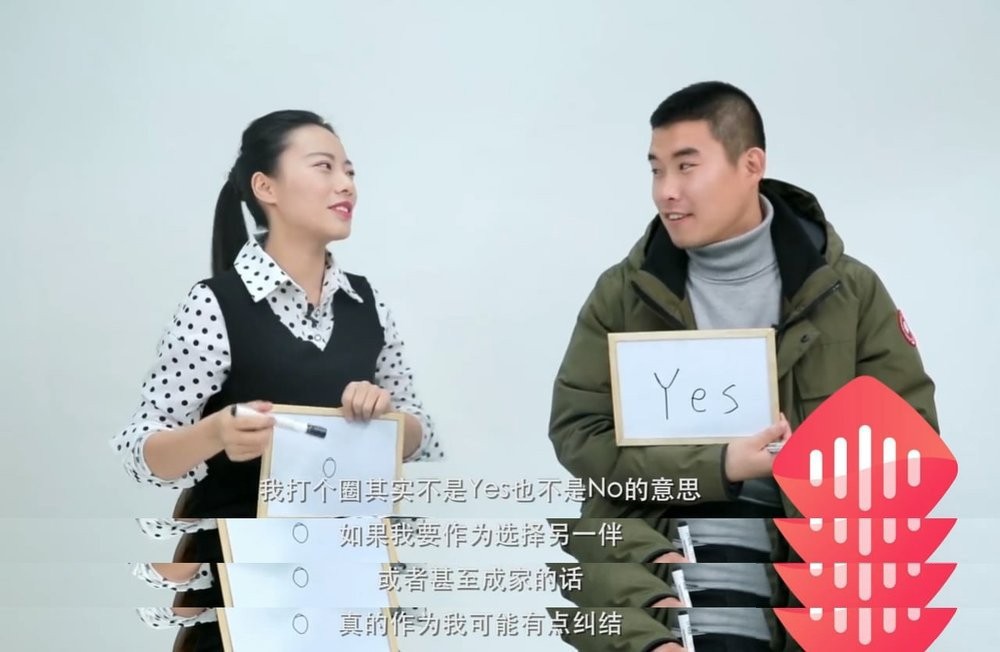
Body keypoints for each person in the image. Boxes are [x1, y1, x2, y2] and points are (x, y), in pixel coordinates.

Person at [547, 81, 938, 652]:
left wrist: (809, 465)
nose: (666, 191)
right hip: (665, 567)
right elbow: (579, 434)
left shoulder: (848, 291)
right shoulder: (623, 294)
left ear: (751, 164)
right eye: (656, 170)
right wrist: (721, 465)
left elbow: (910, 442)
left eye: (687, 167)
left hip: (814, 576)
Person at [109, 109, 443, 651]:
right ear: (266, 187)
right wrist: (215, 433)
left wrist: (388, 419)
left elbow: (418, 433)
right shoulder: (215, 304)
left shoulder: (366, 303)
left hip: (343, 583)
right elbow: (140, 448)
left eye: (349, 170)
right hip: (242, 593)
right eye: (324, 167)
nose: (346, 184)